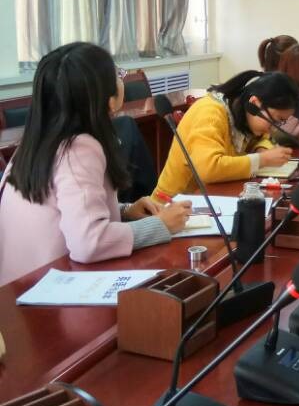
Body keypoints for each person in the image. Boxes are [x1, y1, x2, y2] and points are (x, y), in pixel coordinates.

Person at [0, 42, 191, 283]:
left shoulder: (34, 143)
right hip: (52, 289)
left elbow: (64, 209)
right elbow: (89, 242)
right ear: (108, 100)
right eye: (118, 74)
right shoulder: (79, 149)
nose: (121, 79)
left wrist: (125, 211)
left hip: (16, 289)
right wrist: (160, 225)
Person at [153, 70, 296, 199]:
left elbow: (263, 138)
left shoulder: (242, 112)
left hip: (212, 199)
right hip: (172, 205)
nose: (274, 129)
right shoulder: (209, 114)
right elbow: (209, 169)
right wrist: (262, 159)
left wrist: (262, 149)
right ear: (254, 103)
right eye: (275, 120)